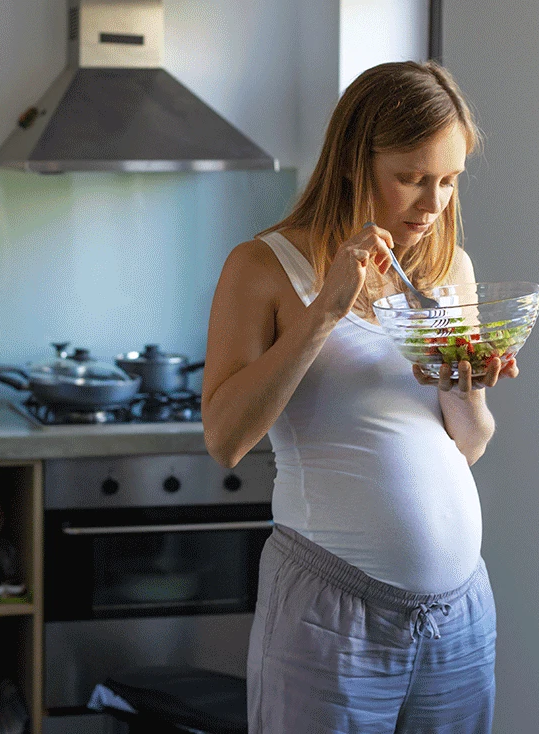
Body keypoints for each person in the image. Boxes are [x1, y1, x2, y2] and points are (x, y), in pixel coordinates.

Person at [202, 61, 517, 733]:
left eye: (449, 181)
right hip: (330, 614)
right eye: (411, 178)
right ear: (353, 162)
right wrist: (323, 313)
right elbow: (226, 439)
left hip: (461, 615)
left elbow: (467, 443)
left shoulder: (448, 270)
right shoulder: (262, 268)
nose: (432, 205)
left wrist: (470, 391)